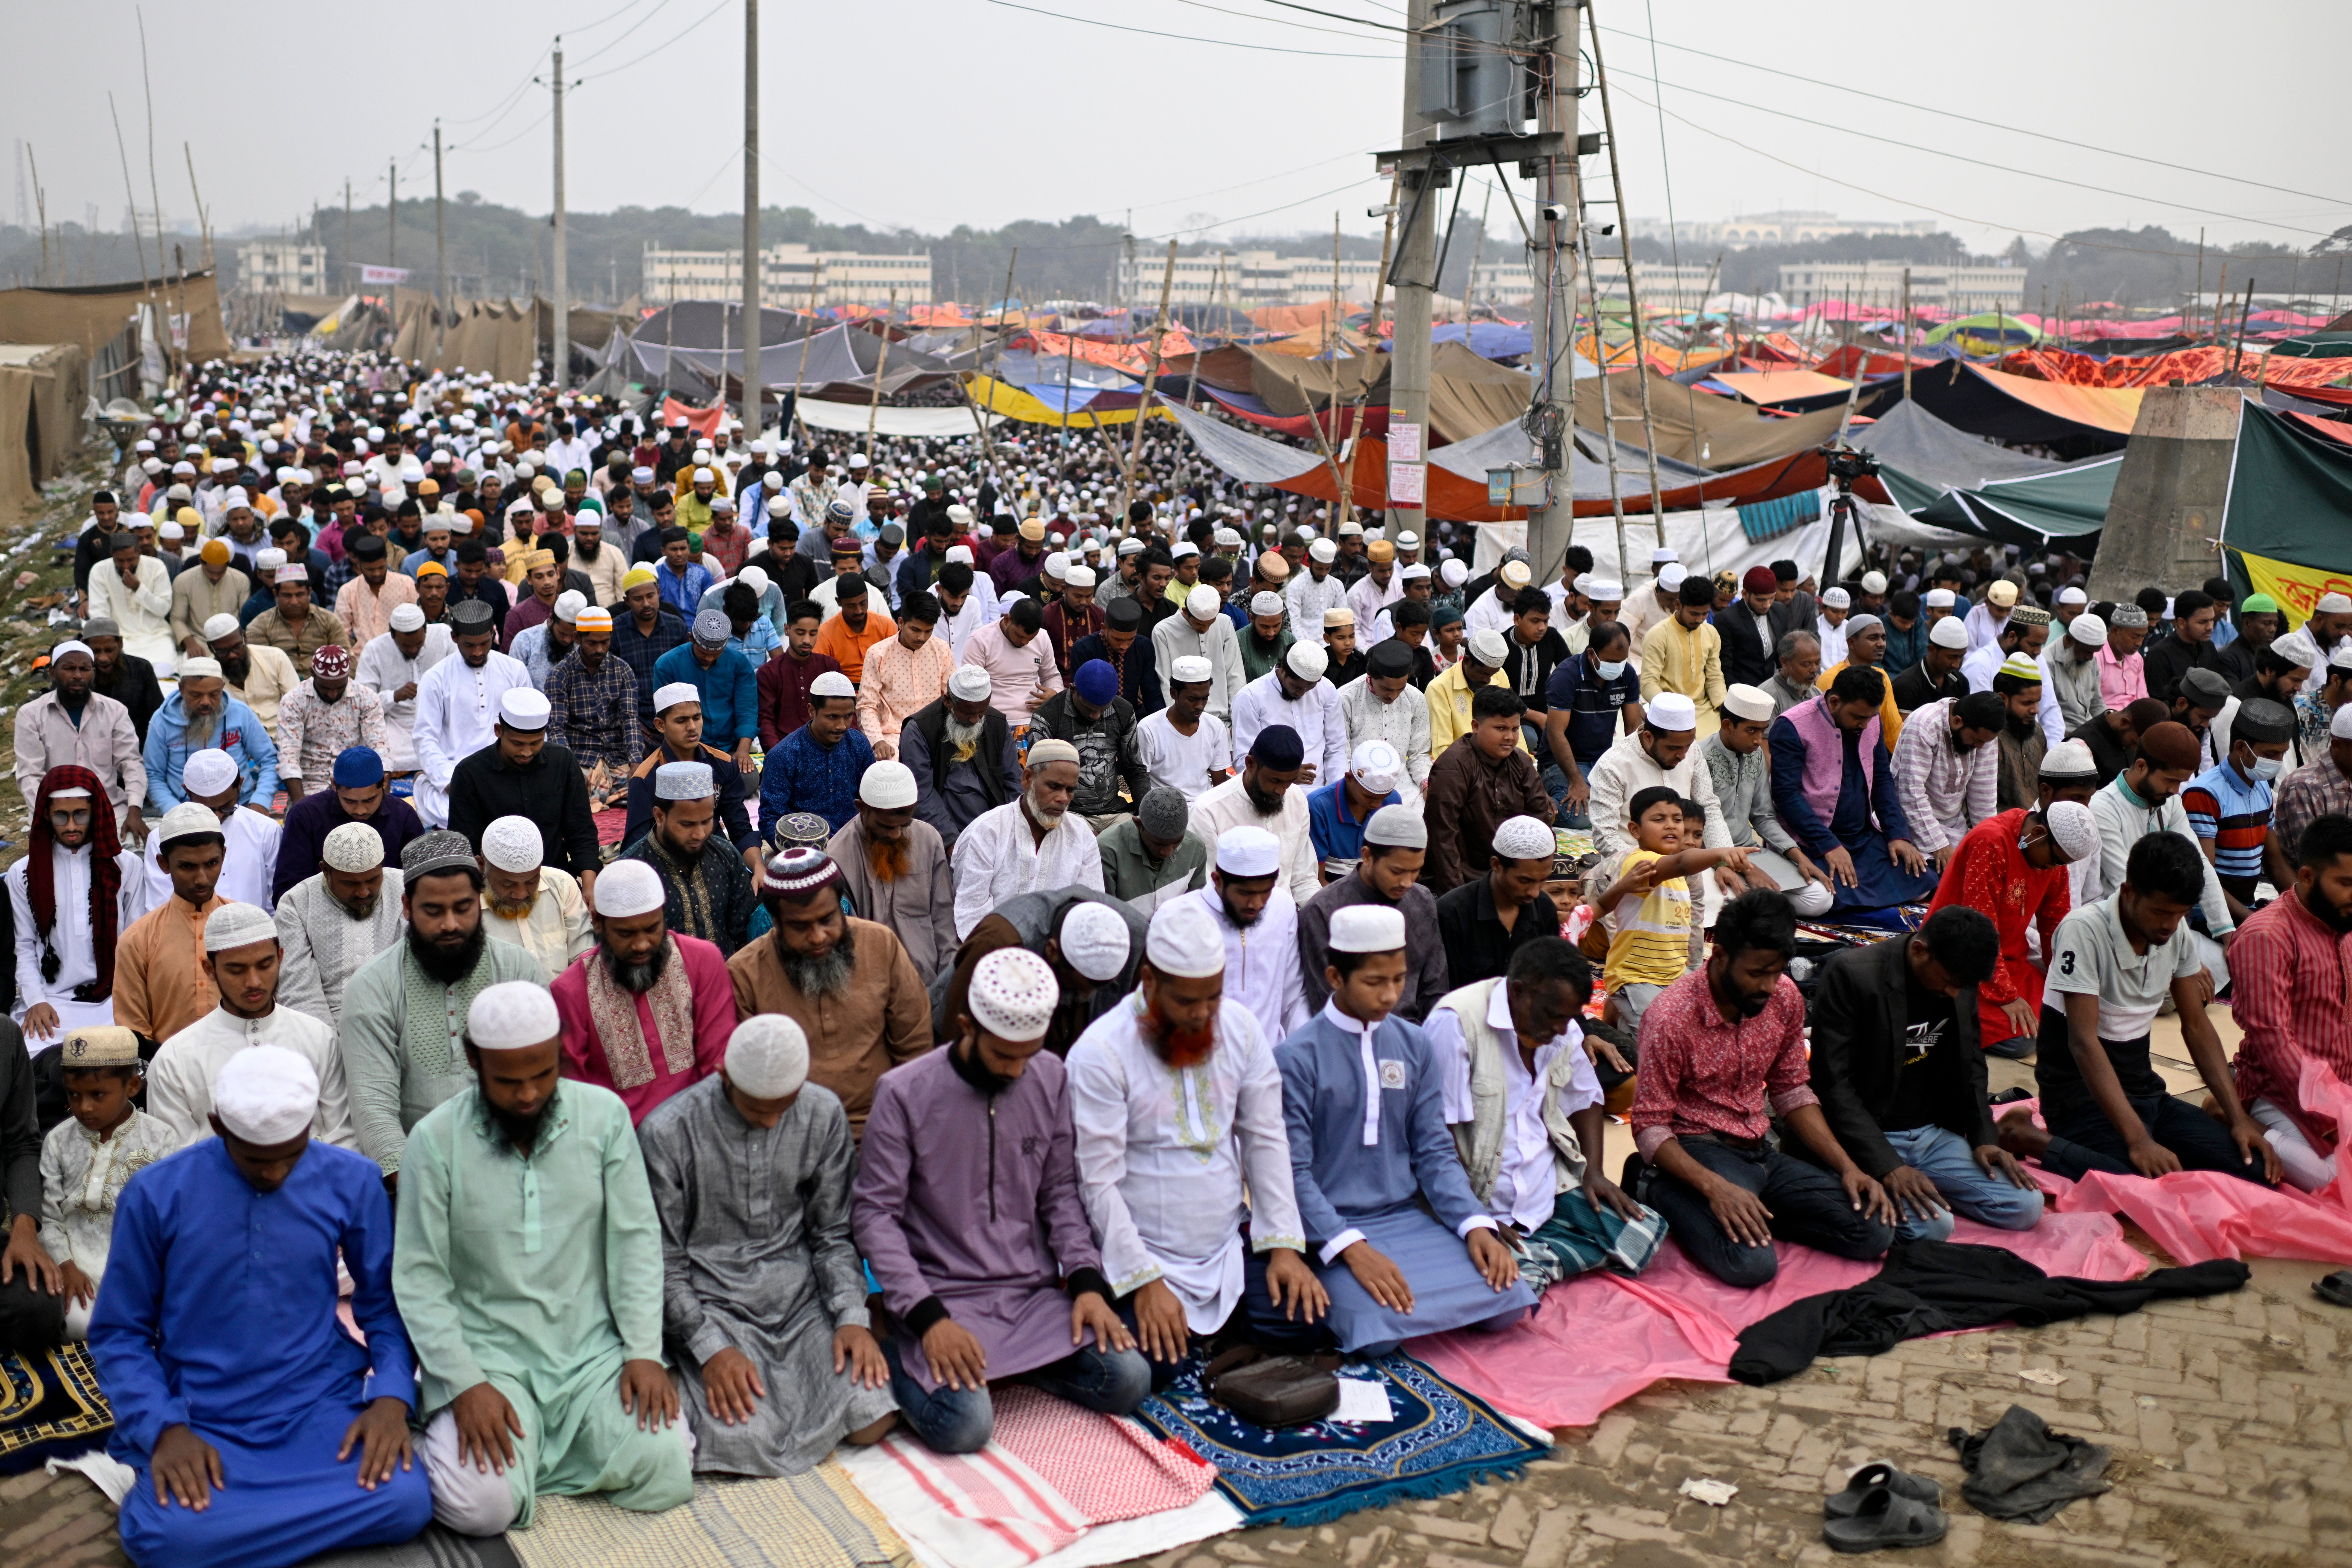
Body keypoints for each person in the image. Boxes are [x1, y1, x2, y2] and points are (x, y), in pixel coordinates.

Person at [91, 1047, 434, 1568]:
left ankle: (242, 1529)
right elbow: (120, 1333)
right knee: (161, 1538)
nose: (274, 1173)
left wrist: (390, 1397)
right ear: (218, 1125)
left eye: (290, 1156)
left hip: (317, 1402)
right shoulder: (156, 1193)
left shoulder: (353, 1179)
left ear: (310, 1125)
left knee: (407, 1500)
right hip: (204, 1414)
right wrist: (165, 1430)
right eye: (255, 1160)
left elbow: (384, 1305)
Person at [392, 982, 694, 1535]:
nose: (529, 1094)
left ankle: (534, 1462)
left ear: (560, 1052)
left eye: (543, 1074)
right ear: (474, 1061)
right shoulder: (434, 1141)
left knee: (669, 1460)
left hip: (592, 1358)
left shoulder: (604, 1117)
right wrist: (464, 1384)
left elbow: (634, 1243)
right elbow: (419, 1277)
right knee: (482, 1507)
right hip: (491, 1362)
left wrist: (643, 1352)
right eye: (508, 1082)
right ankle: (470, 1443)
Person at [851, 949, 1149, 1451]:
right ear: (967, 1027)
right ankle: (895, 1347)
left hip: (1030, 1299)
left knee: (1129, 1379)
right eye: (1005, 1056)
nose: (1017, 1072)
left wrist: (1086, 1285)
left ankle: (1013, 1366)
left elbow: (1060, 1194)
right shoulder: (903, 1093)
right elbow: (875, 1216)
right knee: (965, 1427)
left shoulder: (1049, 1076)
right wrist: (929, 1320)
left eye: (1027, 1055)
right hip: (939, 1295)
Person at [1255, 903, 1535, 1354]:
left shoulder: (1414, 1043)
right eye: (1374, 982)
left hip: (1407, 1218)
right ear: (1335, 978)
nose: (1390, 995)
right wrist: (1352, 1249)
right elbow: (1292, 1174)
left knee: (1507, 1302)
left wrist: (1474, 1225)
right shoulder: (1296, 1058)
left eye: (1399, 980)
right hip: (1329, 1228)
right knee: (1379, 1336)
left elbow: (1435, 1151)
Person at [1066, 900, 1324, 1378]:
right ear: (1149, 982)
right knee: (1151, 1365)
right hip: (1144, 1252)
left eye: (1213, 998)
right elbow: (1096, 1182)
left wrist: (1284, 1247)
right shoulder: (1101, 1053)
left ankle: (1213, 1332)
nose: (1203, 1015)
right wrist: (1144, 1282)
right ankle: (1200, 1332)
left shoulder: (1239, 1028)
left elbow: (1266, 1137)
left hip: (1226, 1249)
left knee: (1310, 1319)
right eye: (1187, 1002)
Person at [639, 1015, 897, 1473]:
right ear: (724, 1075)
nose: (772, 1121)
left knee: (870, 1416)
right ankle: (690, 1375)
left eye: (784, 1107)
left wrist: (851, 1318)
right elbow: (665, 1262)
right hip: (714, 1306)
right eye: (758, 1110)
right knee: (745, 1438)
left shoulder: (822, 1112)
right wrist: (712, 1349)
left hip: (800, 1300)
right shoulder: (667, 1132)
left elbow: (833, 1234)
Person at [1628, 889, 1898, 1288]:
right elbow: (1650, 1125)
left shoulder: (1785, 997)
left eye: (1776, 972)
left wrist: (1848, 1168)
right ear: (1720, 956)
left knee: (1874, 1231)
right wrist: (1715, 1187)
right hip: (1701, 1148)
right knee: (1752, 1266)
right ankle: (1651, 1184)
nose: (1770, 986)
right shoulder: (1670, 1017)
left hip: (1761, 1152)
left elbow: (1792, 1092)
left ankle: (1750, 1205)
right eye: (1757, 974)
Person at [1997, 833, 2280, 1187]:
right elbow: (2083, 1043)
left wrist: (2238, 1118)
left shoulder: (2175, 933)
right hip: (2079, 1097)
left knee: (2254, 1168)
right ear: (2129, 892)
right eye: (2160, 912)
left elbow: (2196, 1026)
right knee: (2139, 1184)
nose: (2170, 925)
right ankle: (2023, 1134)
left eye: (2181, 914)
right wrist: (2138, 1140)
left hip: (2145, 1092)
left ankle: (2155, 1133)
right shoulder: (2083, 931)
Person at [1427, 937, 1666, 1287]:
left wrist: (1594, 1172)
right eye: (1554, 1017)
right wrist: (1474, 1218)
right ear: (1519, 992)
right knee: (1506, 1291)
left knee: (1646, 1234)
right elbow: (1437, 1138)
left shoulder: (1560, 1023)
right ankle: (1532, 1260)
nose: (1561, 1030)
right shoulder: (1456, 1025)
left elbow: (1586, 1097)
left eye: (1568, 1019)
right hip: (1481, 1195)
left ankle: (1536, 1259)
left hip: (1547, 1187)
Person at [1807, 906, 2046, 1240]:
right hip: (1866, 1135)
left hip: (1930, 1134)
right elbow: (1833, 1086)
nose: (1955, 994)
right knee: (1933, 1228)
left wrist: (1984, 1138)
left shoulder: (1958, 977)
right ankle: (1880, 1183)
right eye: (1949, 984)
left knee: (2026, 1206)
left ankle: (1924, 1185)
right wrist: (1888, 1165)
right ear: (1920, 950)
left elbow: (1972, 1064)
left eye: (1963, 987)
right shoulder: (1853, 974)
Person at [338, 832, 545, 1180]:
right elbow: (374, 1108)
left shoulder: (518, 970)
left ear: (478, 900)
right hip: (422, 1175)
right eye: (433, 911)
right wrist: (426, 1190)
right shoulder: (372, 987)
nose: (450, 924)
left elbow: (547, 1081)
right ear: (407, 907)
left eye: (463, 908)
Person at [726, 849, 932, 1135]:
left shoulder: (880, 944)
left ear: (841, 907)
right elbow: (750, 1083)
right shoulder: (744, 974)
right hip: (792, 1135)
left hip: (884, 1124)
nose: (818, 937)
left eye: (827, 919)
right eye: (800, 926)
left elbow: (914, 1048)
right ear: (776, 921)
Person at [145, 899, 355, 1149]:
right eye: (237, 970)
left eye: (265, 965)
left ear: (280, 958)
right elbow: (178, 1159)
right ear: (210, 970)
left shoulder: (319, 1038)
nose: (254, 982)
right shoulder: (174, 1060)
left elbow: (343, 1138)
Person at [548, 859, 732, 1126]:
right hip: (621, 1140)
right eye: (626, 934)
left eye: (652, 929)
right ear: (598, 923)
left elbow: (718, 1061)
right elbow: (575, 1093)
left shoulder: (703, 961)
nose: (642, 945)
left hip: (700, 1127)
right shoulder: (570, 991)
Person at [2229, 813, 2352, 1193]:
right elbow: (2273, 1041)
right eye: (2346, 883)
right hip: (2281, 1095)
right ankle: (2235, 1118)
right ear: (2308, 877)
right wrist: (2330, 1115)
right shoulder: (2267, 936)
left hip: (2341, 1090)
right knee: (2335, 1182)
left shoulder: (2343, 922)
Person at [1924, 802, 2099, 1059]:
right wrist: (2006, 997)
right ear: (2038, 833)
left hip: (2010, 963)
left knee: (2066, 1010)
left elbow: (2056, 926)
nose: (2054, 870)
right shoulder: (1991, 841)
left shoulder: (2051, 858)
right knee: (2020, 1041)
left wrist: (2068, 980)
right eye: (2055, 861)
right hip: (1961, 959)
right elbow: (1978, 932)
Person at [37, 1027, 177, 1340]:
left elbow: (170, 1219)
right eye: (74, 1095)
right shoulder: (58, 1140)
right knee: (78, 1323)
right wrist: (66, 1265)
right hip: (77, 1266)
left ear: (132, 1086)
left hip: (139, 1267)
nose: (84, 1107)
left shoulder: (161, 1139)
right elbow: (48, 1216)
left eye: (97, 1095)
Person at [1768, 666, 1937, 915]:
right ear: (1835, 702)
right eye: (1858, 717)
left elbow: (1882, 778)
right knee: (1820, 900)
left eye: (1870, 717)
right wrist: (1828, 845)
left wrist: (1897, 835)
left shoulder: (1870, 720)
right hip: (1810, 839)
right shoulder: (1792, 725)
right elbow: (1786, 795)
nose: (1865, 725)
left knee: (1921, 880)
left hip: (1861, 837)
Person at [1594, 788, 1755, 1036]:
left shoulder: (1682, 878)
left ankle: (1620, 1016)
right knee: (1659, 1036)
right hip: (1636, 976)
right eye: (1659, 819)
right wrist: (1721, 853)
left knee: (1699, 1027)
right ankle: (1616, 1024)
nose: (1671, 826)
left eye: (1677, 819)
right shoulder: (1640, 863)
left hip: (1673, 975)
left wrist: (1691, 967)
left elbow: (1691, 923)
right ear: (1635, 831)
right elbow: (1681, 862)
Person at [8, 768, 150, 1046]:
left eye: (81, 815)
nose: (71, 826)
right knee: (31, 1054)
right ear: (46, 815)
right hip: (51, 1001)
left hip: (114, 997)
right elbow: (23, 945)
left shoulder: (126, 866)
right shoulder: (23, 872)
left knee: (127, 1050)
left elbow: (136, 941)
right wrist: (36, 1001)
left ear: (95, 813)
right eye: (61, 816)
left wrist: (133, 996)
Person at [2083, 720, 2237, 968]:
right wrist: (2187, 961)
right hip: (2122, 931)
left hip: (2170, 927)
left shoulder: (2170, 802)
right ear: (2141, 766)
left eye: (2181, 783)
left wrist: (2228, 933)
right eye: (2170, 781)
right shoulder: (2104, 808)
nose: (2175, 791)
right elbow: (2129, 885)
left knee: (2235, 967)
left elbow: (2199, 864)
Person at [927, 890, 1144, 1062]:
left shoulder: (1137, 943)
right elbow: (957, 1032)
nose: (1088, 996)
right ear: (1052, 951)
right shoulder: (1001, 942)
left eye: (1098, 988)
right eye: (1079, 987)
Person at [1299, 803, 1448, 1022]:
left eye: (1415, 871)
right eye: (1397, 871)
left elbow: (1435, 988)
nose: (1408, 883)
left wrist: (1426, 1038)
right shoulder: (1322, 911)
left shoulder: (1422, 900)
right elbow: (1327, 1004)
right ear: (1368, 857)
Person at [950, 738, 1106, 940]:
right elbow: (972, 913)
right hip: (994, 948)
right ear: (1028, 779)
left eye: (1070, 790)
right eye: (1055, 786)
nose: (1063, 798)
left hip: (1058, 949)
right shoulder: (987, 831)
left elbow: (1089, 910)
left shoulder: (1082, 835)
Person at [112, 803, 231, 1045]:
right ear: (164, 864)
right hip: (163, 1064)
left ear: (224, 856)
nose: (202, 879)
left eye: (212, 864)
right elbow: (134, 1034)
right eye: (188, 867)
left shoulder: (247, 928)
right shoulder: (138, 940)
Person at [830, 760, 957, 982]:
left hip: (929, 981)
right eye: (887, 826)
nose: (897, 834)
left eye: (904, 825)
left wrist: (948, 983)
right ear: (862, 808)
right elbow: (846, 939)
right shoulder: (838, 855)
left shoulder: (929, 840)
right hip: (871, 983)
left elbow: (944, 918)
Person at [617, 759, 759, 957]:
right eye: (687, 825)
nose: (700, 835)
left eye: (707, 822)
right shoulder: (629, 872)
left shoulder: (727, 857)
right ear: (659, 817)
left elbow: (745, 937)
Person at [411, 600, 532, 829]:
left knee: (525, 812)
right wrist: (452, 782)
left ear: (493, 635)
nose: (478, 652)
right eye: (469, 645)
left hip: (509, 770)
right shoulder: (436, 678)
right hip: (457, 773)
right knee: (453, 815)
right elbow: (425, 738)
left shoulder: (515, 670)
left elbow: (530, 726)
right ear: (455, 637)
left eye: (485, 643)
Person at [1424, 686, 1555, 895]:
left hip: (1513, 877)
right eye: (1501, 728)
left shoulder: (1522, 762)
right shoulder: (1454, 766)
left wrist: (1540, 881)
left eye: (1515, 729)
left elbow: (1540, 824)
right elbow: (1442, 838)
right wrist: (1458, 898)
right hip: (1463, 879)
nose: (1510, 737)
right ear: (1476, 726)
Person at [1183, 826, 1309, 1041]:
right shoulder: (1182, 917)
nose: (1257, 904)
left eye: (1266, 892)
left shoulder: (1283, 907)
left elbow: (1293, 996)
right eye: (1245, 893)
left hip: (1270, 1054)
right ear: (1217, 880)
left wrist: (1301, 1048)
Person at [275, 821, 405, 1030]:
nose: (363, 892)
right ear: (326, 871)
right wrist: (328, 1043)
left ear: (382, 863)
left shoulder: (406, 890)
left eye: (373, 880)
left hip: (400, 1023)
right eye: (350, 884)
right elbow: (299, 992)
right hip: (326, 1031)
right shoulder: (297, 904)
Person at [15, 641, 147, 838]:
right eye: (69, 668)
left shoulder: (115, 711)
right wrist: (47, 815)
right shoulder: (31, 715)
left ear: (93, 673)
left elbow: (131, 762)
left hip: (110, 810)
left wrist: (135, 811)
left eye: (84, 669)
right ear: (52, 672)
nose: (77, 675)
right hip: (55, 815)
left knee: (138, 851)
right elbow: (30, 775)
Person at [1585, 691, 1733, 867]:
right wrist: (1659, 865)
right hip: (1632, 868)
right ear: (1649, 737)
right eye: (1673, 748)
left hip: (1685, 863)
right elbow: (1605, 837)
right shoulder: (1612, 766)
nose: (1683, 756)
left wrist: (1724, 862)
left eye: (1688, 746)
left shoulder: (1691, 750)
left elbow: (1709, 807)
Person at [2181, 696, 2293, 923]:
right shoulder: (2204, 794)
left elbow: (2274, 862)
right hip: (2211, 918)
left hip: (2247, 910)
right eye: (2271, 754)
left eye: (2283, 753)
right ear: (2241, 748)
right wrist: (2252, 922)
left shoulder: (2261, 787)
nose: (2279, 762)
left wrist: (2307, 906)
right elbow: (2205, 879)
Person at [1187, 723, 1322, 910]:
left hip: (1288, 916)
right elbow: (1211, 891)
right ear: (1250, 764)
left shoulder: (1297, 798)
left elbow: (1304, 880)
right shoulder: (1208, 811)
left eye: (1289, 782)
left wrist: (1323, 915)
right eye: (1275, 781)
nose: (1282, 791)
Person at [272, 746, 424, 907]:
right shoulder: (306, 815)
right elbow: (288, 892)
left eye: (370, 800)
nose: (360, 811)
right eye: (350, 801)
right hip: (321, 912)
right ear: (334, 785)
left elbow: (418, 882)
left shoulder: (403, 816)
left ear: (385, 782)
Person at [1434, 813, 1561, 992]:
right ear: (1497, 865)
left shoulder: (1544, 908)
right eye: (1525, 881)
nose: (1534, 892)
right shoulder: (1452, 913)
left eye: (1543, 880)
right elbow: (1442, 992)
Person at [901, 664, 1021, 854]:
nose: (976, 720)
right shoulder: (919, 730)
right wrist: (951, 843)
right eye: (968, 713)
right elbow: (921, 793)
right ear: (948, 701)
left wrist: (1013, 830)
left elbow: (1014, 781)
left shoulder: (997, 723)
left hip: (996, 829)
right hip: (945, 832)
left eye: (982, 712)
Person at [141, 658, 280, 815]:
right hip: (186, 809)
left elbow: (269, 759)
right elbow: (153, 775)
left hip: (241, 805)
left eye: (214, 694)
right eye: (196, 695)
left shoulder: (241, 713)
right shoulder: (162, 722)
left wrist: (261, 801)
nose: (206, 702)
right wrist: (174, 811)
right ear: (182, 689)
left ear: (223, 687)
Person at [1889, 690, 2004, 869]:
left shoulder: (1984, 737)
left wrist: (1987, 841)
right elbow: (1911, 794)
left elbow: (1984, 797)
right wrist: (1939, 845)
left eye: (1985, 742)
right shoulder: (1924, 725)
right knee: (1925, 878)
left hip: (1954, 828)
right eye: (1977, 740)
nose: (1981, 747)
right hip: (1907, 823)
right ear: (1958, 721)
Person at [1545, 620, 1642, 830]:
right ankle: (1532, 805)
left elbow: (1633, 730)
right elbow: (1555, 733)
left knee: (1638, 808)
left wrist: (1637, 772)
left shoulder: (1627, 674)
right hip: (1564, 762)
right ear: (1591, 654)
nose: (1618, 667)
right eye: (1612, 662)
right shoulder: (1566, 676)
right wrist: (1576, 782)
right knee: (1579, 817)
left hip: (1603, 761)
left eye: (1623, 661)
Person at [761, 671, 875, 840]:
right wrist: (800, 850)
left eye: (848, 716)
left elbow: (872, 802)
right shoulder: (783, 755)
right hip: (803, 845)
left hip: (856, 841)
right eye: (832, 717)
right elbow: (770, 820)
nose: (842, 726)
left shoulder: (859, 744)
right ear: (812, 711)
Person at [1232, 640, 1349, 788]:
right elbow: (1244, 761)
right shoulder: (1250, 697)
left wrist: (1336, 790)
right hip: (1271, 792)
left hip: (1320, 791)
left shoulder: (1326, 689)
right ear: (1283, 670)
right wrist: (1286, 776)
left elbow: (1336, 748)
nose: (1302, 694)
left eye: (1309, 688)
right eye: (1297, 687)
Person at [855, 589, 952, 759]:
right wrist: (878, 741)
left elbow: (952, 699)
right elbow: (867, 706)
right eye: (915, 630)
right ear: (901, 623)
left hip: (936, 736)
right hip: (893, 738)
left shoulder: (942, 650)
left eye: (928, 631)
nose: (922, 638)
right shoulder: (878, 654)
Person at [1096, 784, 1212, 914]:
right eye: (1159, 844)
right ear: (1139, 825)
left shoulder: (1196, 849)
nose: (1168, 852)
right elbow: (1105, 916)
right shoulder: (1107, 852)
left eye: (1177, 843)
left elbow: (1197, 909)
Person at [1135, 654, 1233, 804]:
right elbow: (1142, 784)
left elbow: (1220, 787)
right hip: (1162, 808)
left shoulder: (1215, 726)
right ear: (1174, 694)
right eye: (1192, 699)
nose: (1200, 706)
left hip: (1203, 808)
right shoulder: (1148, 729)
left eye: (1205, 698)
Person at [1640, 574, 1728, 734]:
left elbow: (1714, 676)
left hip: (1705, 711)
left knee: (1731, 736)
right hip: (1671, 712)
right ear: (1679, 605)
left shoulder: (1711, 633)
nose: (1700, 620)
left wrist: (1724, 707)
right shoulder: (1658, 635)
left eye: (1705, 614)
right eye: (1694, 614)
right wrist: (1668, 710)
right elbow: (1648, 683)